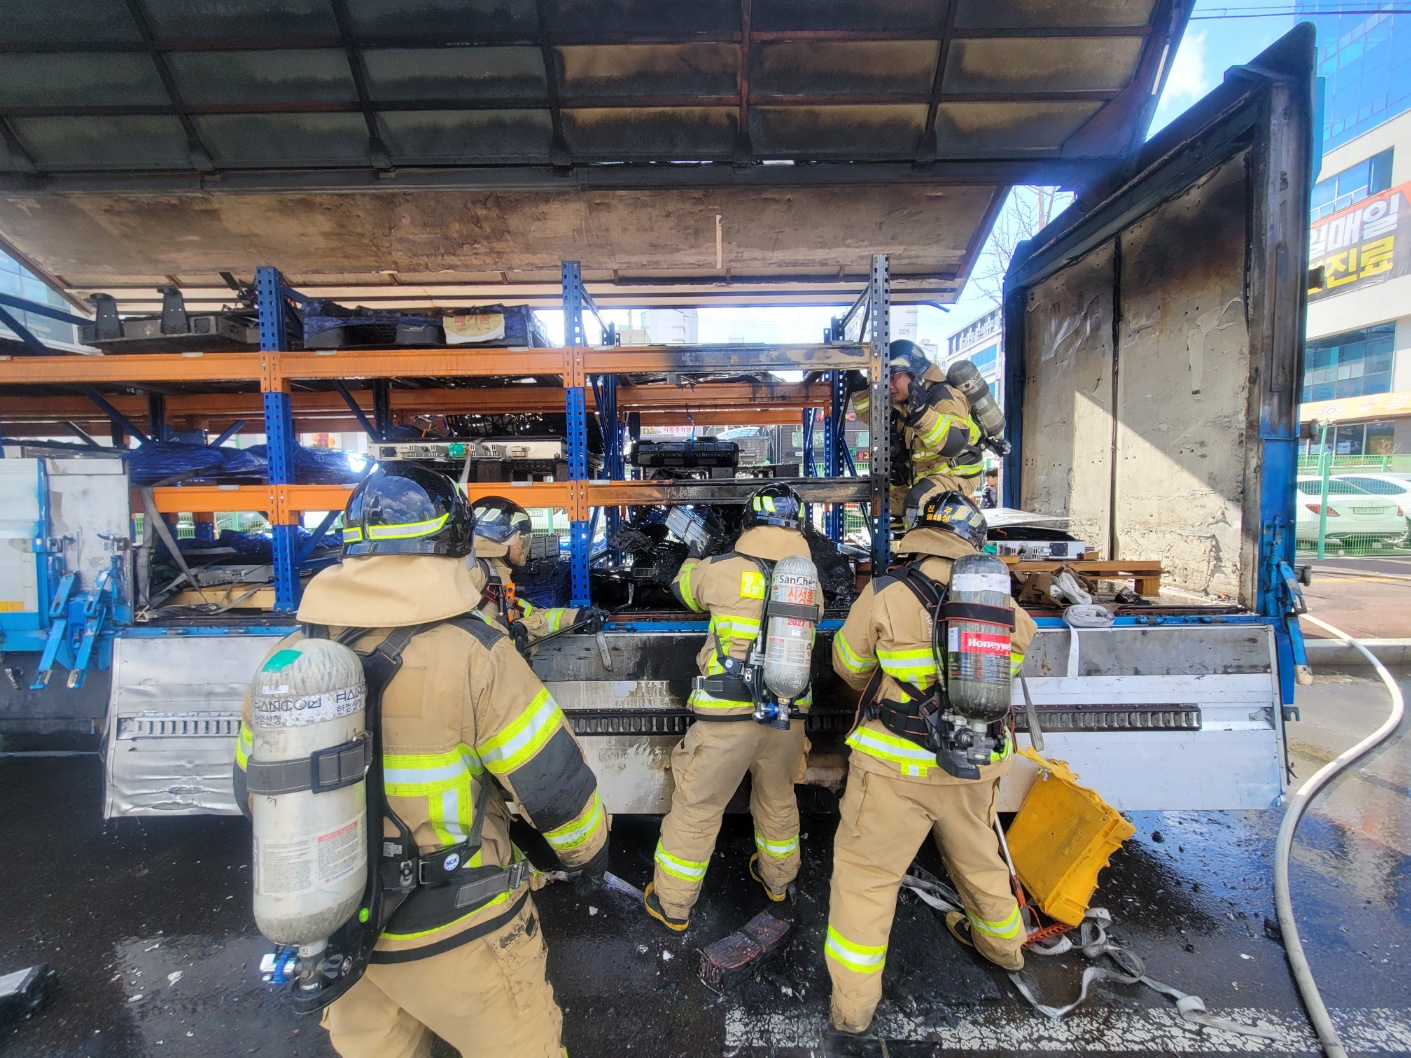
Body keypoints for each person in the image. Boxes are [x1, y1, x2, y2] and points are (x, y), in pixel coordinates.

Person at [234, 464, 608, 1058]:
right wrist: (587, 856)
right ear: (453, 543)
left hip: (342, 935)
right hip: (461, 929)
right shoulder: (476, 653)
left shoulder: (291, 660)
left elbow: (252, 792)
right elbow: (556, 788)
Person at [824, 483, 1037, 1036]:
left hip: (893, 768)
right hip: (974, 763)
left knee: (867, 880)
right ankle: (1005, 948)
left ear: (919, 535)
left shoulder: (887, 591)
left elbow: (848, 665)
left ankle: (853, 1009)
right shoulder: (995, 600)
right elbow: (1017, 653)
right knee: (980, 861)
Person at [643, 484, 822, 931]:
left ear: (749, 523)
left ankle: (673, 904)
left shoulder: (721, 569)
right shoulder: (808, 583)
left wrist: (693, 555)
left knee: (698, 809)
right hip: (787, 717)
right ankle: (778, 882)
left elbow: (684, 588)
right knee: (778, 801)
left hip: (725, 719)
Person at [845, 339, 984, 507]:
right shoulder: (903, 401)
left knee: (917, 500)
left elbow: (953, 443)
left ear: (915, 374)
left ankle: (914, 523)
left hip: (956, 476)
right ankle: (899, 524)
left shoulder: (945, 397)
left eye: (894, 377)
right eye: (885, 379)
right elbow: (872, 417)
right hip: (924, 477)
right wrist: (859, 388)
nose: (889, 385)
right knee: (885, 497)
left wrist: (922, 414)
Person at [468, 496, 604, 653]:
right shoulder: (473, 571)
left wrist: (577, 618)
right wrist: (518, 630)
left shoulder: (495, 577)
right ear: (501, 537)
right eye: (521, 538)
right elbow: (464, 627)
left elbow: (530, 614)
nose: (523, 544)